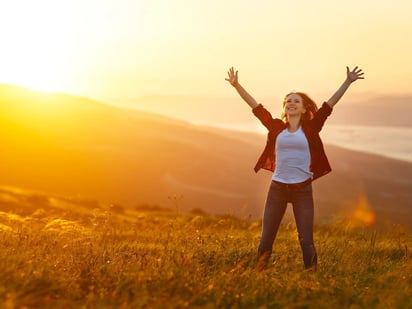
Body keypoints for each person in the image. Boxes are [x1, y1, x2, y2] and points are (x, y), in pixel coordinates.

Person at [225, 66, 364, 270]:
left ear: (304, 108)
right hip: (277, 189)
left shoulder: (312, 127)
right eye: (288, 100)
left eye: (296, 101)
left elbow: (329, 104)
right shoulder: (276, 127)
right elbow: (256, 107)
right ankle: (258, 276)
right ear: (285, 107)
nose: (291, 103)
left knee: (306, 241)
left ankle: (313, 278)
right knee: (265, 241)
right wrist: (237, 85)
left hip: (303, 191)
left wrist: (348, 81)